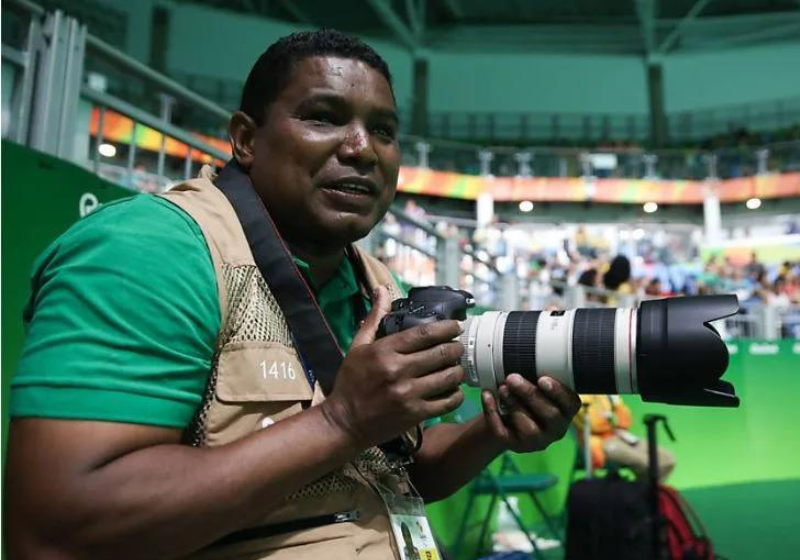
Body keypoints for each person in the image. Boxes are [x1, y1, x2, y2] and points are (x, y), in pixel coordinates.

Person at [5, 30, 581, 559]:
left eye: (383, 130)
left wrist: (493, 431)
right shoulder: (151, 250)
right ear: (246, 139)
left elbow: (396, 470)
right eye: (324, 117)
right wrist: (342, 420)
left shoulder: (377, 282)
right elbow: (54, 529)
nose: (362, 148)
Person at [573, 395, 675, 482]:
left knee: (667, 460)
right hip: (597, 441)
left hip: (619, 435)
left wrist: (616, 417)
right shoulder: (576, 396)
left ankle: (641, 490)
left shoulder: (607, 394)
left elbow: (624, 418)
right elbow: (594, 424)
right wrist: (609, 418)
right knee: (647, 465)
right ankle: (643, 494)